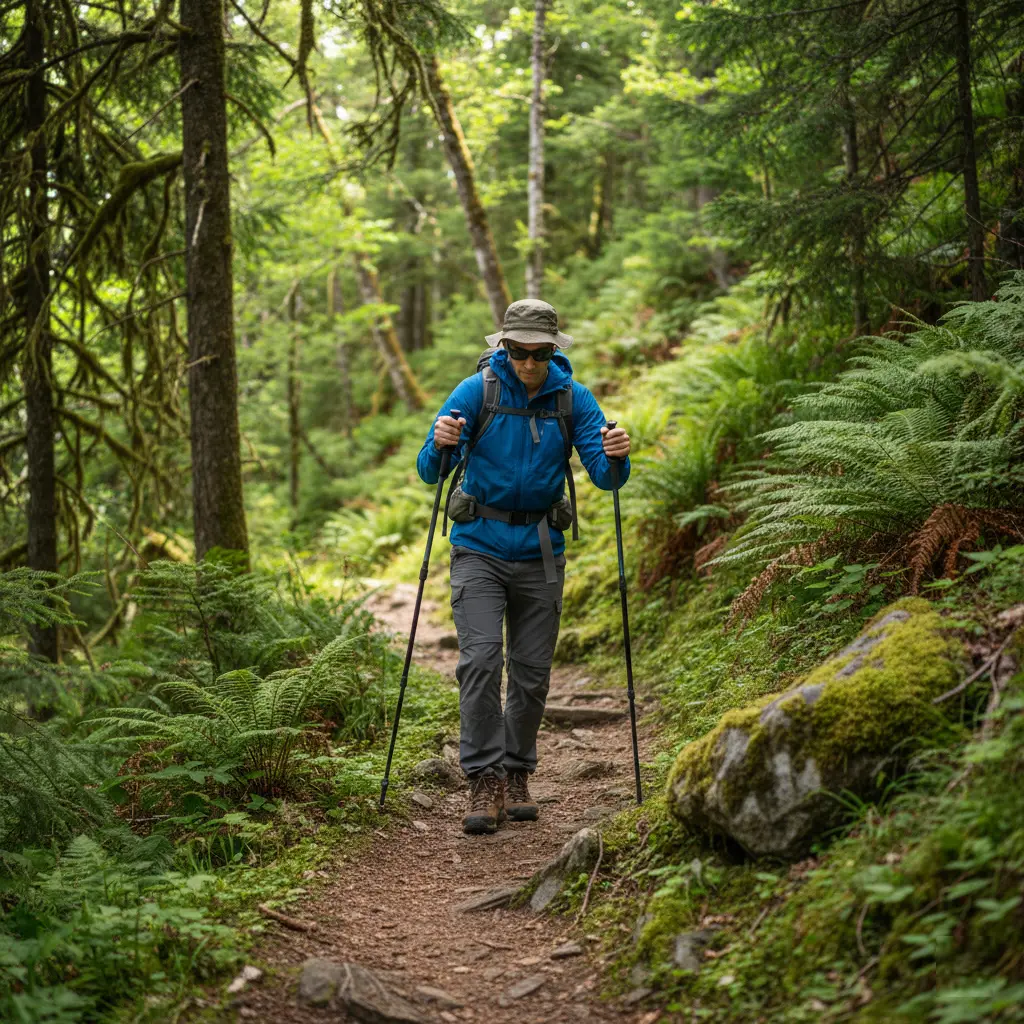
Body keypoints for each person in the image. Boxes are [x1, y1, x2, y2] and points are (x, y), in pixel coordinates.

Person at [416, 298, 631, 835]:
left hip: (540, 550)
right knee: (483, 659)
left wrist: (617, 453)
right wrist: (441, 442)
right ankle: (483, 778)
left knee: (532, 674)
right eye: (519, 352)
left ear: (554, 351)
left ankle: (516, 773)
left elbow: (605, 477)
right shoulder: (477, 391)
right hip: (478, 547)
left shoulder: (573, 399)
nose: (529, 363)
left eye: (540, 353)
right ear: (503, 347)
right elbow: (431, 469)